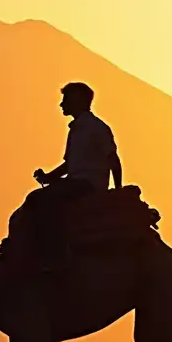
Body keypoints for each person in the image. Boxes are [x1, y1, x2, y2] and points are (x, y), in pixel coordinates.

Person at [28, 82, 122, 270]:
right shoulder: (78, 129)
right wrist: (48, 177)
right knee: (37, 199)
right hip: (76, 182)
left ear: (78, 101)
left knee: (42, 199)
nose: (62, 105)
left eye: (66, 100)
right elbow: (70, 165)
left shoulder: (96, 128)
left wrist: (117, 192)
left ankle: (55, 254)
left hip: (88, 185)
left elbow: (113, 158)